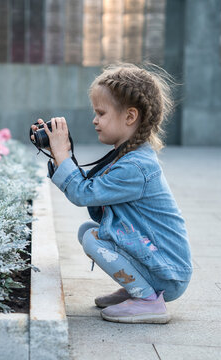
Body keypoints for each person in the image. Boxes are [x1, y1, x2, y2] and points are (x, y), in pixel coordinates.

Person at [31, 63, 192, 324]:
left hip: (168, 272)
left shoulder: (135, 166)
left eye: (101, 113)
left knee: (94, 238)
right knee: (88, 231)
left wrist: (63, 156)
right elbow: (95, 201)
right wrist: (61, 155)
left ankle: (148, 301)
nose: (94, 120)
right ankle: (138, 288)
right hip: (160, 263)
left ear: (130, 117)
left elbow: (83, 195)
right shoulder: (128, 157)